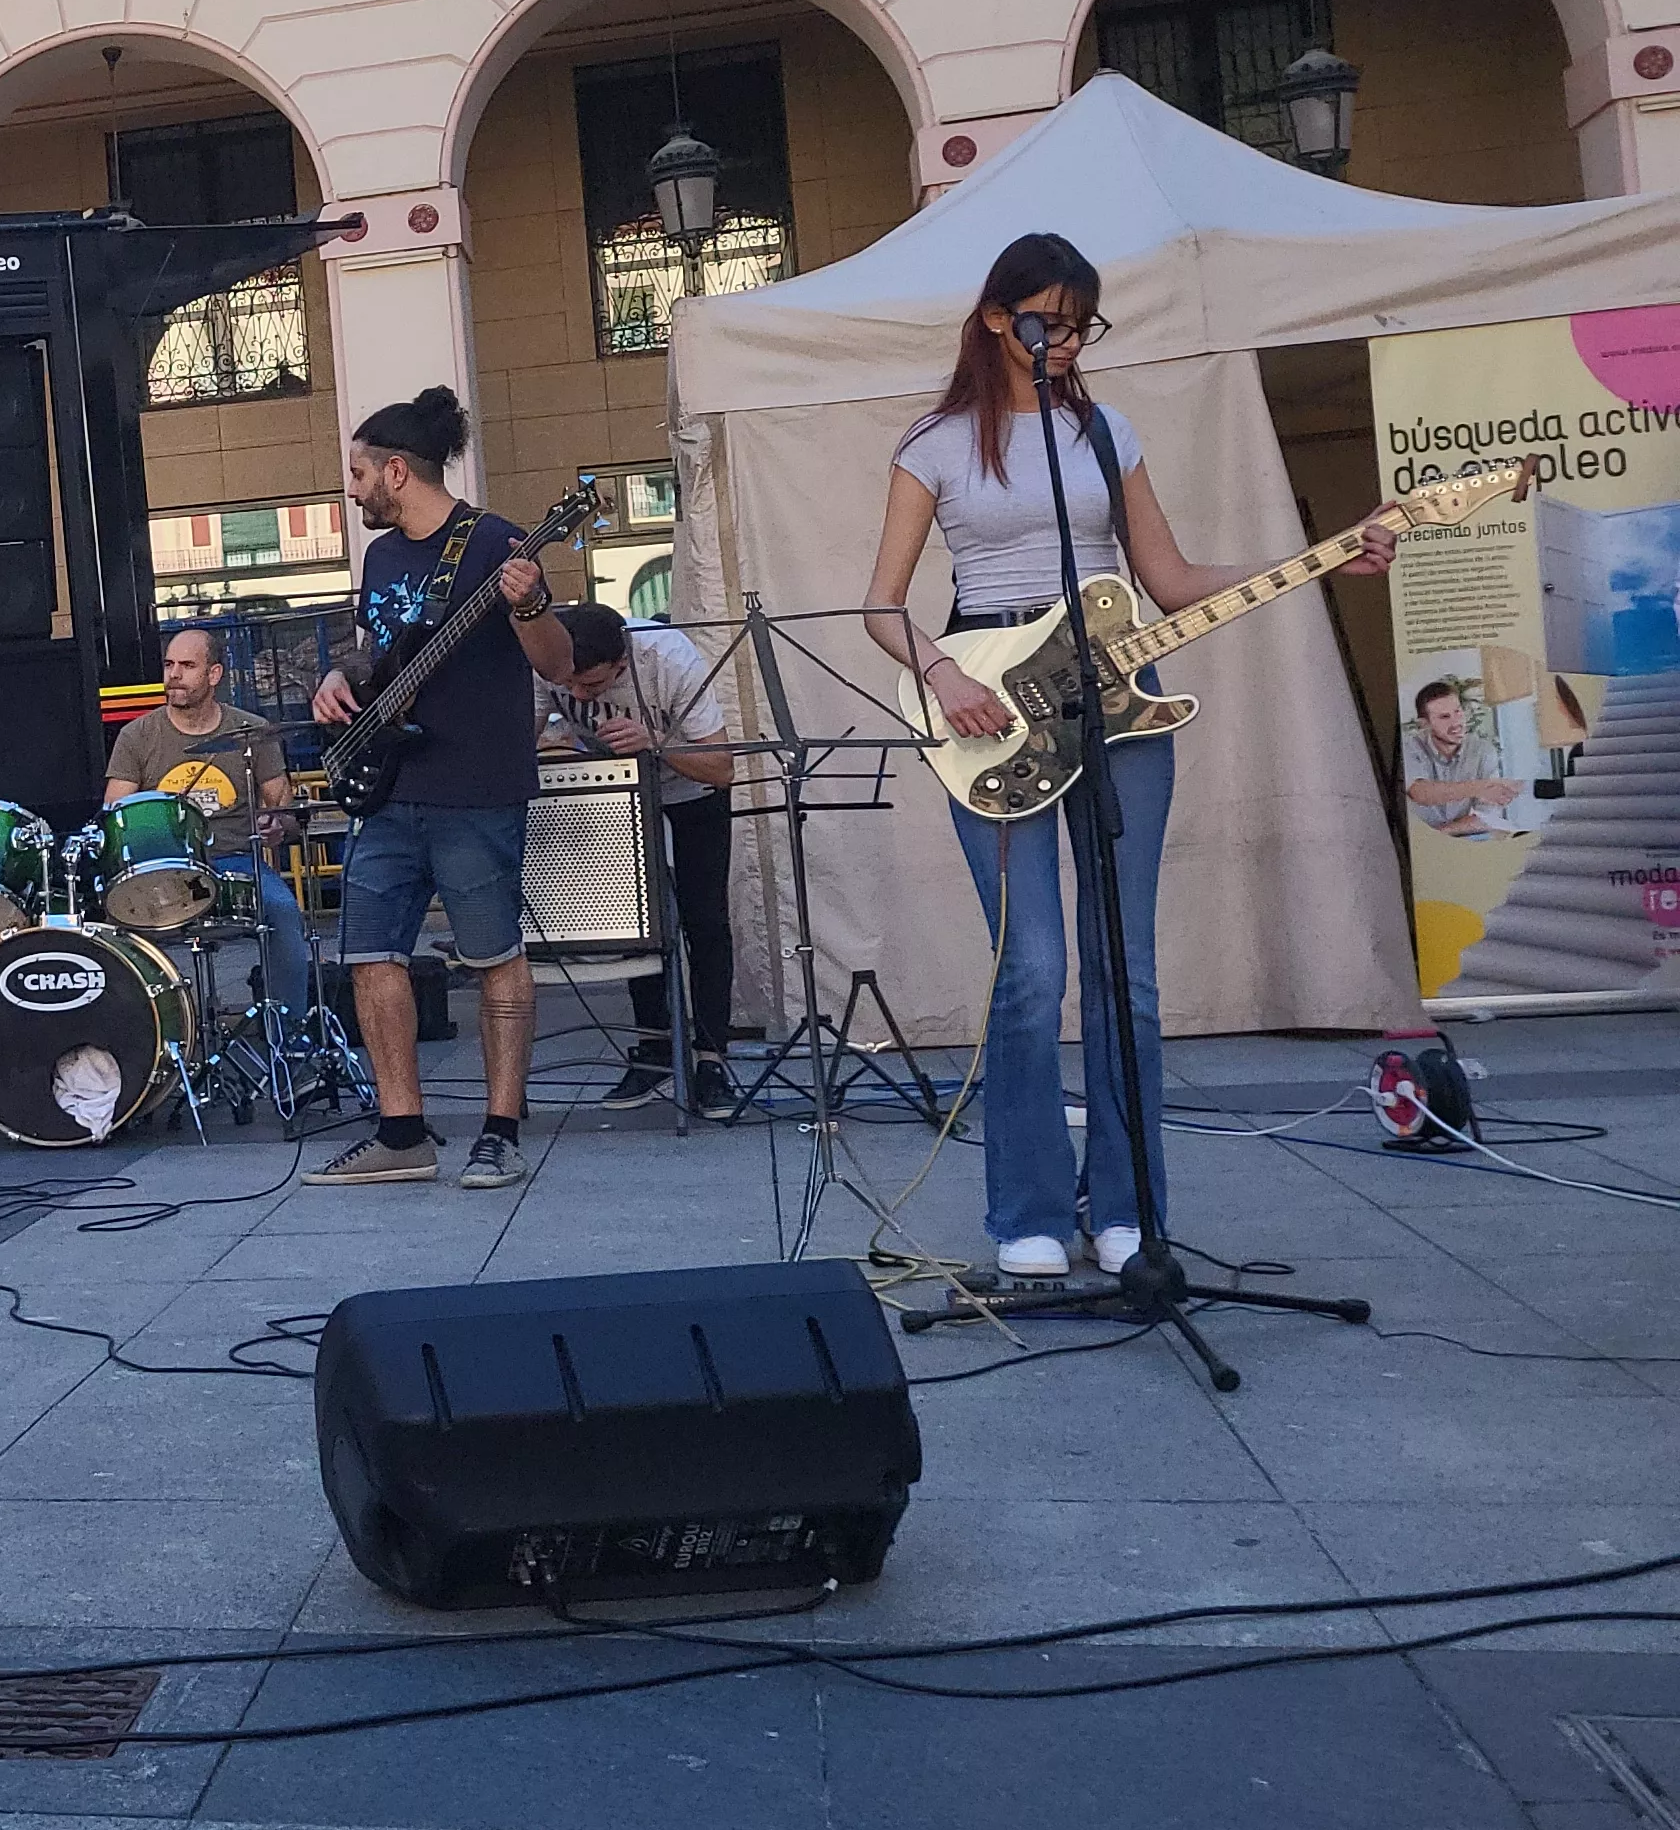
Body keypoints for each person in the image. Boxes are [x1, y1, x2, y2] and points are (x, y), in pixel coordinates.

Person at [865, 232, 1395, 1282]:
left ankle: (1126, 1205)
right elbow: (880, 601)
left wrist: (1322, 553)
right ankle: (1024, 1206)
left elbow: (1167, 574)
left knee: (1125, 970)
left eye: (1076, 324)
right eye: (1048, 320)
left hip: (1116, 705)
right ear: (994, 317)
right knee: (1029, 971)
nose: (1062, 340)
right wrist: (943, 674)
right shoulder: (932, 442)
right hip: (992, 704)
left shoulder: (1106, 432)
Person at [304, 388, 577, 1192]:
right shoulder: (383, 558)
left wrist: (527, 603)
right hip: (388, 784)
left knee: (493, 955)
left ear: (396, 471)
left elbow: (557, 663)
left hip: (474, 786)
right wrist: (337, 678)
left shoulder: (497, 542)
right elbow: (376, 655)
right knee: (370, 954)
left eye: (358, 474)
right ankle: (401, 1131)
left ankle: (500, 1132)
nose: (351, 490)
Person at [540, 602, 739, 1118]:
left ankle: (711, 1057)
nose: (581, 697)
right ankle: (652, 1049)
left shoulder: (669, 658)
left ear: (623, 664)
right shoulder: (547, 659)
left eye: (594, 687)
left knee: (706, 921)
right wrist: (552, 744)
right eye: (572, 687)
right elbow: (525, 737)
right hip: (615, 790)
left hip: (691, 789)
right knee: (636, 920)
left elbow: (721, 768)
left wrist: (655, 742)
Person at [104, 624, 310, 1026]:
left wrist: (276, 825)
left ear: (214, 675)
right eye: (168, 665)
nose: (173, 675)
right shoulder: (138, 736)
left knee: (284, 912)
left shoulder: (252, 732)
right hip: (162, 868)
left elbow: (283, 809)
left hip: (236, 862)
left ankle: (289, 1039)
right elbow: (115, 815)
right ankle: (146, 1040)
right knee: (112, 926)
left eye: (186, 665)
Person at [1400, 680, 1519, 837]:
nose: (1456, 722)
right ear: (1424, 724)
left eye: (1458, 711)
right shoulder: (1409, 747)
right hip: (1412, 839)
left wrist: (1441, 834)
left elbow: (1488, 816)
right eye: (1444, 717)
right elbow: (1421, 793)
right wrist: (1481, 787)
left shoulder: (1482, 750)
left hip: (1459, 838)